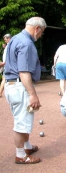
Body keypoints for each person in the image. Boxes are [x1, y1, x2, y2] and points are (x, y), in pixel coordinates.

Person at [4, 17, 47, 164]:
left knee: (24, 120)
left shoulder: (15, 39)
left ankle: (27, 147)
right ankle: (21, 155)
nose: (40, 36)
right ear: (37, 29)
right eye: (41, 32)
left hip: (12, 86)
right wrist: (32, 94)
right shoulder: (27, 43)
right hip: (20, 86)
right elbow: (23, 72)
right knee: (21, 123)